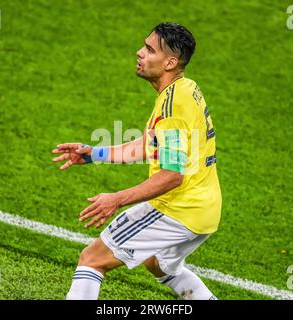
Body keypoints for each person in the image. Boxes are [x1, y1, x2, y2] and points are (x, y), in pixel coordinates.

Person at [52, 22, 222, 300]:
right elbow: (148, 145)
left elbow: (171, 175)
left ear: (170, 62)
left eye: (149, 49)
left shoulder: (172, 109)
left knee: (92, 259)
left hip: (178, 209)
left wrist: (117, 199)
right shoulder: (185, 88)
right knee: (158, 263)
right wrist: (94, 154)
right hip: (205, 210)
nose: (139, 53)